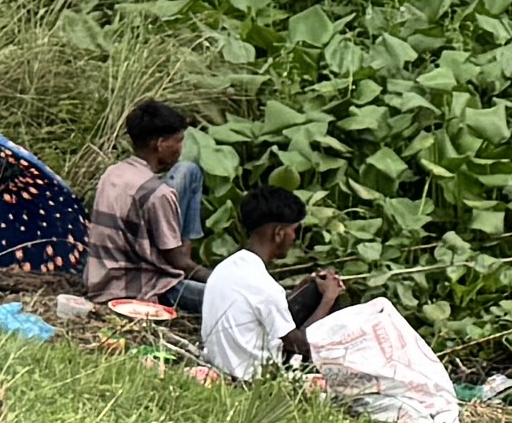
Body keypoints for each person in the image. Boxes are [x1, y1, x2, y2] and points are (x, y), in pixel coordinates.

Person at [196, 181, 366, 387]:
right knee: (327, 307)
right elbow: (300, 345)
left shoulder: (226, 268)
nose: (294, 237)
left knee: (312, 291)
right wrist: (329, 298)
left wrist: (304, 286)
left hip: (221, 364)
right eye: (294, 230)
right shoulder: (266, 288)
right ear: (278, 233)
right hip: (252, 377)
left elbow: (264, 311)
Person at [82, 101, 208, 315]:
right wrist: (224, 281)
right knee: (228, 299)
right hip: (140, 289)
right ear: (160, 144)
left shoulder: (112, 173)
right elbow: (178, 263)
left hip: (99, 280)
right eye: (178, 142)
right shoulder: (158, 195)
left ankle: (183, 249)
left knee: (190, 171)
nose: (181, 149)